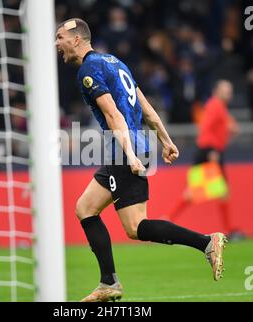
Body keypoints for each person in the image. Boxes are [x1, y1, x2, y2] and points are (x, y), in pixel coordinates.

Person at [55, 18, 227, 302]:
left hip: (125, 149)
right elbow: (145, 106)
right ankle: (108, 282)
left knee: (135, 227)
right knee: (85, 207)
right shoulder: (114, 62)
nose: (57, 43)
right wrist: (165, 139)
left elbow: (113, 115)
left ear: (77, 39)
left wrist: (132, 156)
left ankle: (206, 242)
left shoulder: (88, 69)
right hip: (132, 146)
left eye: (60, 37)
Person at [168, 80, 242, 240]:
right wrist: (212, 151)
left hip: (210, 151)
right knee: (208, 192)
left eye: (230, 91)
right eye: (226, 91)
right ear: (216, 91)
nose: (229, 94)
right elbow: (206, 129)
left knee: (205, 192)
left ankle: (167, 220)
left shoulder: (218, 107)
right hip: (210, 153)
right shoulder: (215, 106)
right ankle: (166, 221)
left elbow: (226, 125)